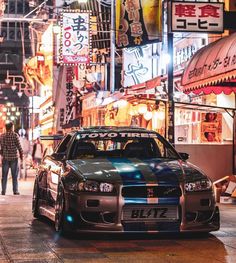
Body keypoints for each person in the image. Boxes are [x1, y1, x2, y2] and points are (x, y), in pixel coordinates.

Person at [0, 122, 23, 195]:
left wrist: (2, 153)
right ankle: (15, 191)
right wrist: (21, 155)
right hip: (14, 158)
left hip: (5, 158)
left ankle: (3, 191)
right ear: (11, 127)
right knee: (14, 175)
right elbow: (19, 146)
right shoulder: (15, 135)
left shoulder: (2, 136)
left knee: (4, 176)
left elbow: (0, 147)